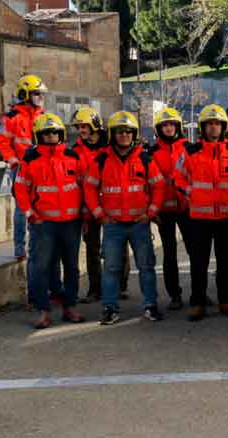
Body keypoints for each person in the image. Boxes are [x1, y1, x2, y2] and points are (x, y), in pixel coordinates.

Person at [84, 111, 165, 325]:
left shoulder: (145, 159)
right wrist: (99, 214)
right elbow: (89, 187)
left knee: (146, 267)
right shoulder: (102, 160)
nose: (124, 136)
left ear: (134, 134)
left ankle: (150, 306)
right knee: (111, 269)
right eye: (120, 132)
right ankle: (110, 308)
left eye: (128, 132)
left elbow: (159, 186)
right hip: (113, 225)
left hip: (139, 224)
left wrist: (151, 212)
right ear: (112, 134)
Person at [14, 113, 85, 329]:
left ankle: (69, 307)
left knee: (71, 267)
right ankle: (43, 310)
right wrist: (30, 214)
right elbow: (20, 189)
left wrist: (85, 214)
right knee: (40, 267)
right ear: (39, 136)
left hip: (71, 223)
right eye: (46, 133)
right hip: (43, 224)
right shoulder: (30, 160)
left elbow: (85, 186)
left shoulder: (73, 157)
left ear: (61, 134)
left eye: (55, 132)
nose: (51, 136)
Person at [173, 104, 228, 321]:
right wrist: (189, 191)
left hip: (227, 217)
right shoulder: (190, 151)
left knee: (226, 262)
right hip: (199, 218)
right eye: (209, 124)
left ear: (223, 127)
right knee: (198, 263)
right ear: (203, 127)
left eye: (217, 124)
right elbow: (177, 177)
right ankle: (198, 302)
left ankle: (225, 300)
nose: (213, 127)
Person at [0, 75, 47, 263]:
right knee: (21, 208)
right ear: (25, 94)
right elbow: (2, 141)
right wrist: (12, 160)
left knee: (42, 204)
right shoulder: (11, 118)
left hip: (41, 168)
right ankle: (19, 246)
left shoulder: (42, 116)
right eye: (37, 93)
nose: (41, 97)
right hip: (20, 168)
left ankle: (38, 243)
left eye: (41, 94)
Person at [147, 107, 190, 310]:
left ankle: (199, 293)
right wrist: (152, 210)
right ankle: (175, 295)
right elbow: (148, 184)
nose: (169, 128)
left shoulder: (189, 147)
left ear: (178, 126)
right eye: (165, 125)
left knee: (195, 252)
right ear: (159, 129)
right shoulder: (152, 152)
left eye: (172, 124)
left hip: (187, 209)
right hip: (164, 210)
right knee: (169, 254)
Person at [70, 107, 107, 304]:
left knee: (116, 246)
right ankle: (95, 289)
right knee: (92, 248)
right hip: (87, 206)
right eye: (79, 127)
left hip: (112, 203)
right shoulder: (75, 151)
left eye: (84, 126)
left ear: (94, 125)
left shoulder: (110, 146)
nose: (81, 130)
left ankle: (121, 285)